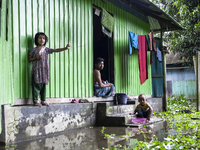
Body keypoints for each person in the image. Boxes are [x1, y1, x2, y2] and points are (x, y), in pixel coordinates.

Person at [29, 32, 71, 106]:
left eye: (44, 38)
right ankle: (35, 101)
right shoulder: (34, 50)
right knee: (36, 85)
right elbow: (29, 59)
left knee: (44, 85)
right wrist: (36, 57)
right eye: (40, 38)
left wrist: (65, 48)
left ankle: (43, 100)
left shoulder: (46, 49)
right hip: (37, 70)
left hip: (44, 71)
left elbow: (56, 50)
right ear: (36, 39)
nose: (42, 40)